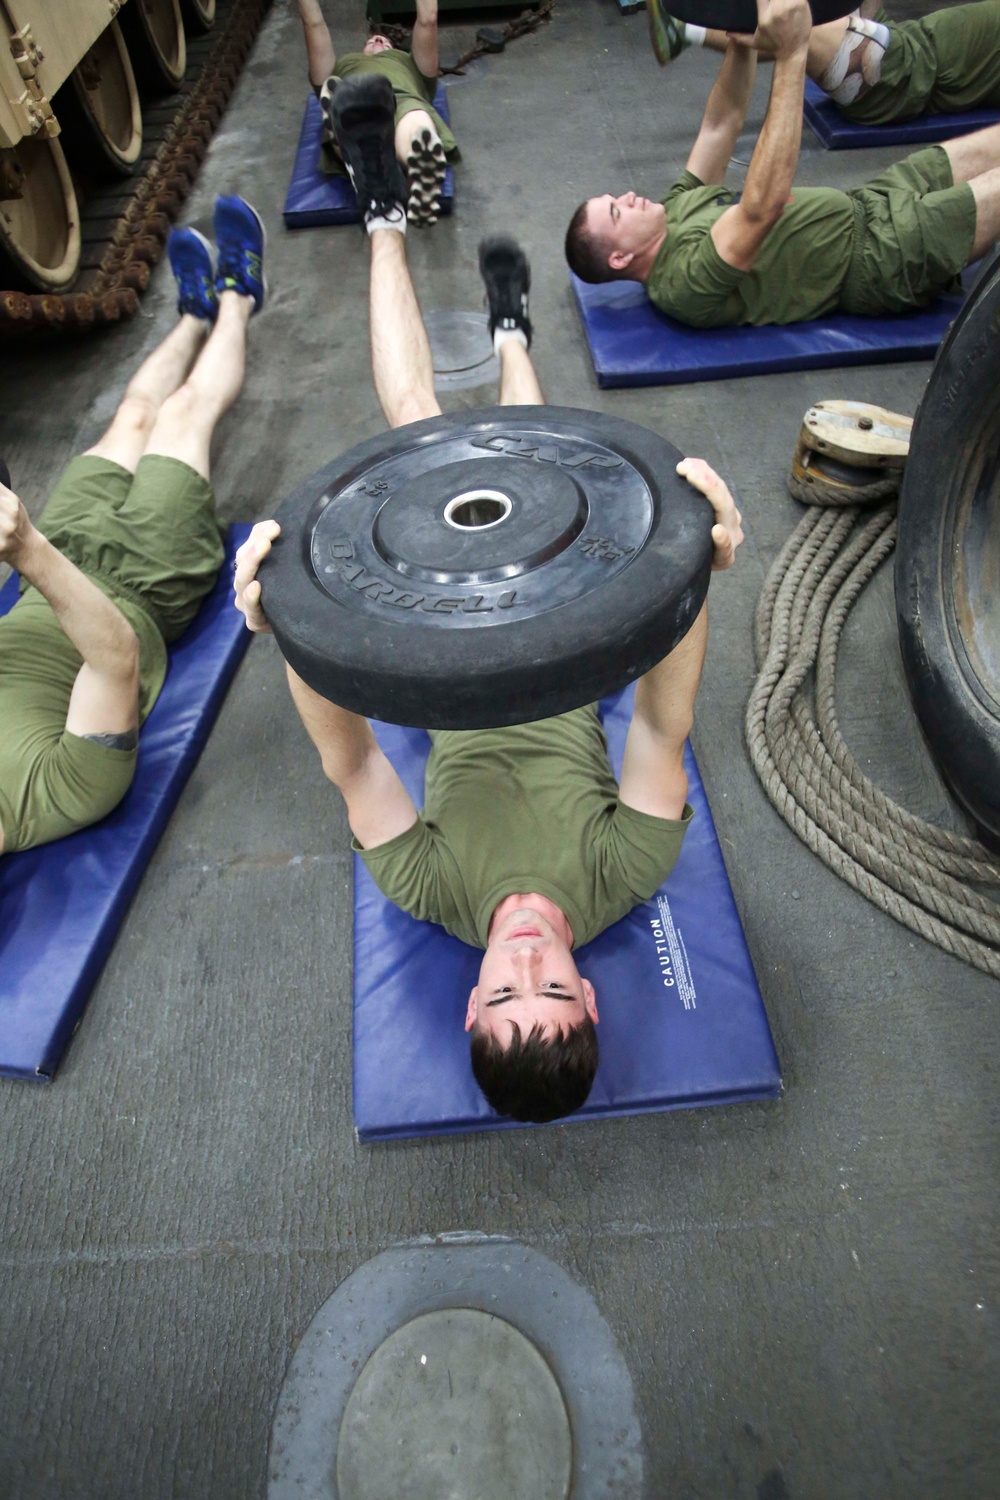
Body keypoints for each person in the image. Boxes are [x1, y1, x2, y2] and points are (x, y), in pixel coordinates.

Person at [232, 92, 745, 1125]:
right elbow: (659, 721)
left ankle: (380, 213)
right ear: (585, 990)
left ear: (469, 1004)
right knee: (525, 454)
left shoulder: (427, 895)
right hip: (566, 647)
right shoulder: (626, 876)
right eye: (550, 988)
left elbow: (355, 763)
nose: (521, 963)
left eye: (502, 992)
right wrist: (696, 568)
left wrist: (286, 619)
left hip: (450, 659)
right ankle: (510, 325)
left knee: (420, 426)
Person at [0, 197, 265, 856]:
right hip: (143, 580)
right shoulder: (53, 797)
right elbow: (115, 658)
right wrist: (27, 549)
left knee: (132, 415)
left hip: (53, 562)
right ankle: (238, 297)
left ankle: (190, 314)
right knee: (182, 413)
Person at [565, 0, 1000, 329]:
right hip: (884, 254)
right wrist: (791, 53)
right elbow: (763, 206)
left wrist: (741, 41)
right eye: (616, 211)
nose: (626, 197)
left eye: (614, 197)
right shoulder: (683, 282)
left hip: (874, 200)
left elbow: (721, 123)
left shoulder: (675, 206)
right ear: (621, 257)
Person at [646, 0, 1000, 127]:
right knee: (789, 25)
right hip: (903, 45)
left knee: (787, 23)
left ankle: (683, 29)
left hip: (899, 70)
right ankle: (683, 30)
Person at [293, 0, 457, 226]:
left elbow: (428, 19)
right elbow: (313, 23)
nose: (378, 38)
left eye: (385, 40)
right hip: (354, 101)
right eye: (371, 39)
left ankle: (420, 159)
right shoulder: (343, 64)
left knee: (412, 114)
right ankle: (347, 133)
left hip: (400, 98)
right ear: (362, 49)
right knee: (341, 98)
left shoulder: (410, 63)